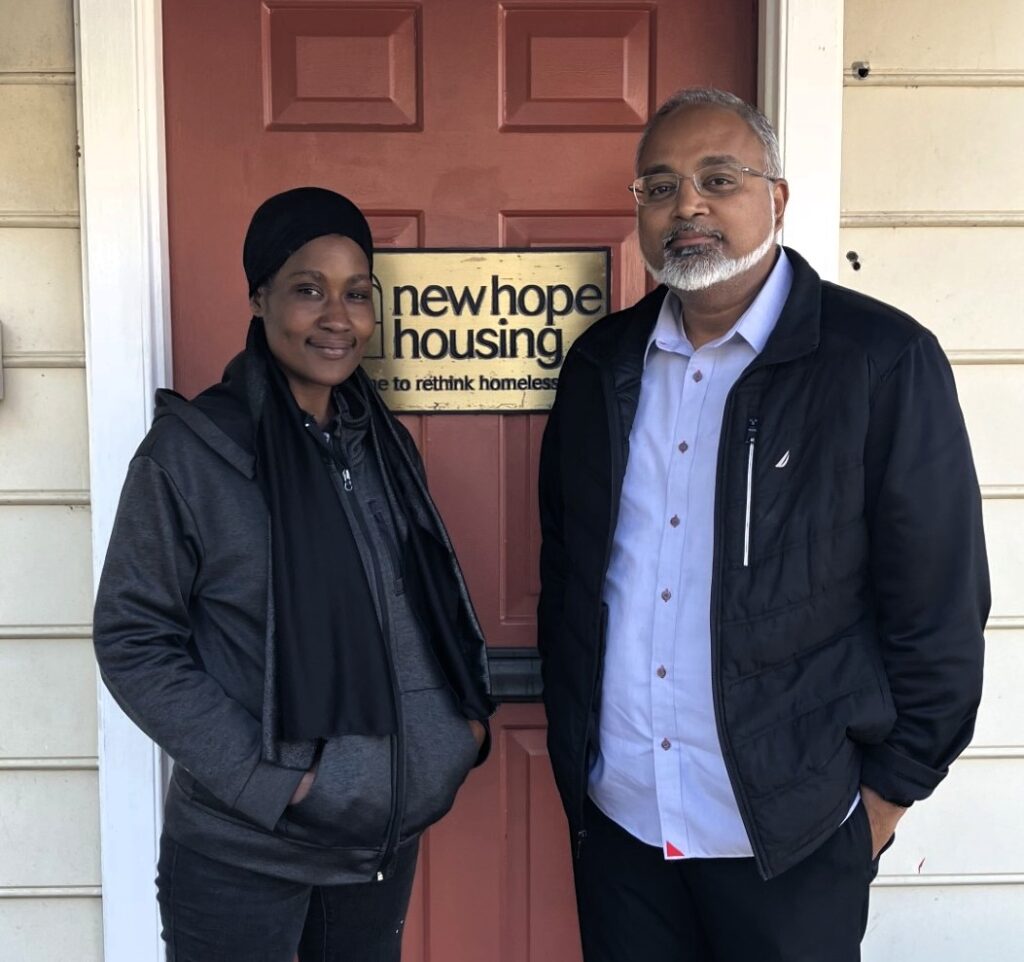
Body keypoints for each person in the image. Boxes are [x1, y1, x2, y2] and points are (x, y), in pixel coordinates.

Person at [537, 88, 988, 961]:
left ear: (776, 200)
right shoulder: (601, 365)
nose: (688, 206)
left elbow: (941, 604)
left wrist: (884, 803)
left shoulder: (879, 362)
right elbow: (570, 570)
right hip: (624, 820)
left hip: (794, 835)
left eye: (719, 178)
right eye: (659, 187)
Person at [93, 187, 493, 962]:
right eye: (308, 289)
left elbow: (425, 604)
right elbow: (133, 639)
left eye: (356, 293)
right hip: (245, 852)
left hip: (376, 843)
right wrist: (279, 781)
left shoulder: (380, 444)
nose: (337, 317)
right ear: (259, 296)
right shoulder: (194, 455)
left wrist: (458, 731)